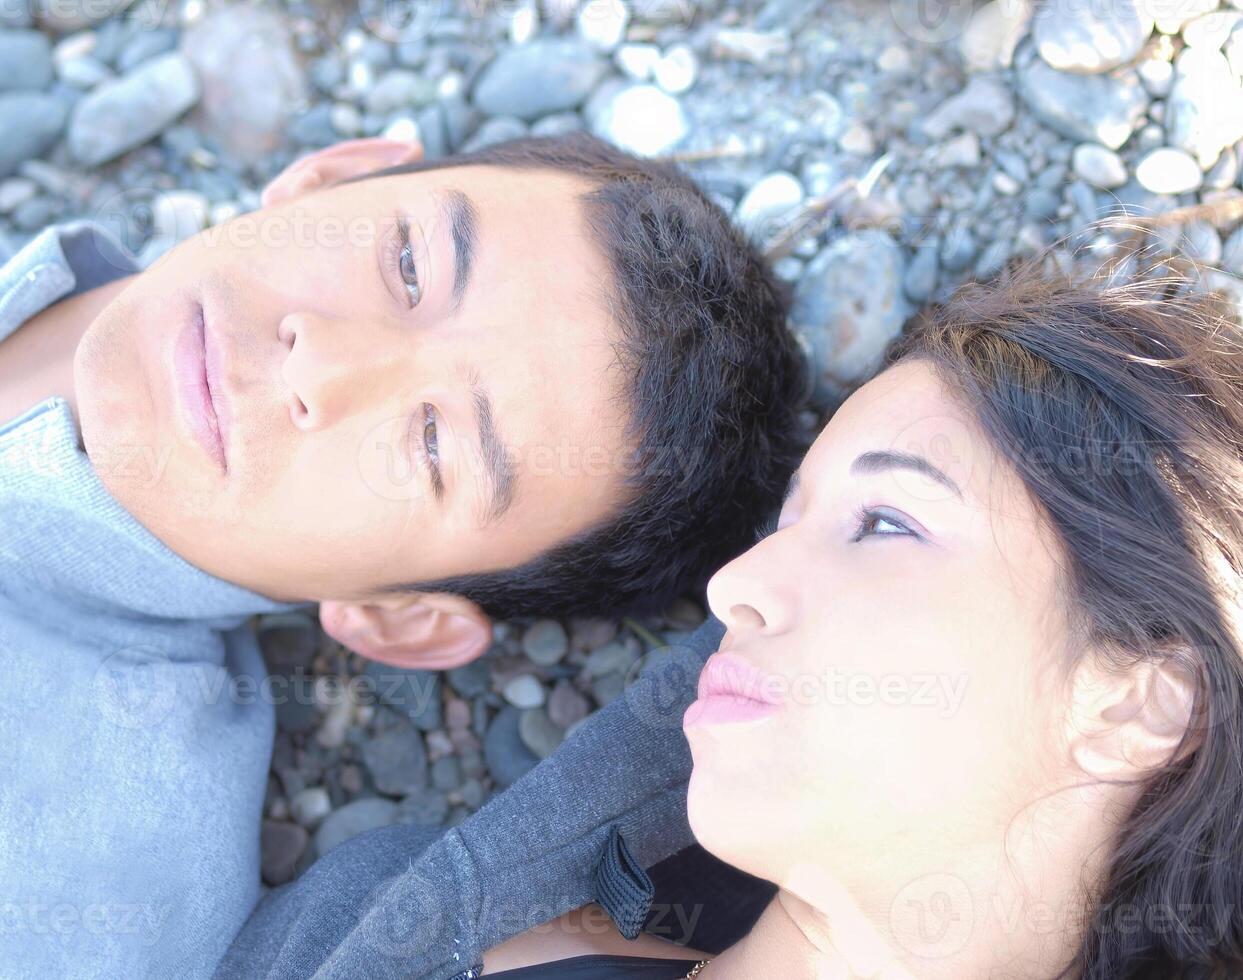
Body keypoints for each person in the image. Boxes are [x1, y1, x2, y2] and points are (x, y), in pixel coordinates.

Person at [223, 262, 1243, 978]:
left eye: (886, 521)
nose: (735, 584)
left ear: (1137, 703)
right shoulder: (388, 919)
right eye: (784, 518)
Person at [0, 132, 806, 977]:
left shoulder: (97, 891)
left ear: (401, 620)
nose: (321, 361)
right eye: (411, 267)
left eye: (432, 447)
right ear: (337, 173)